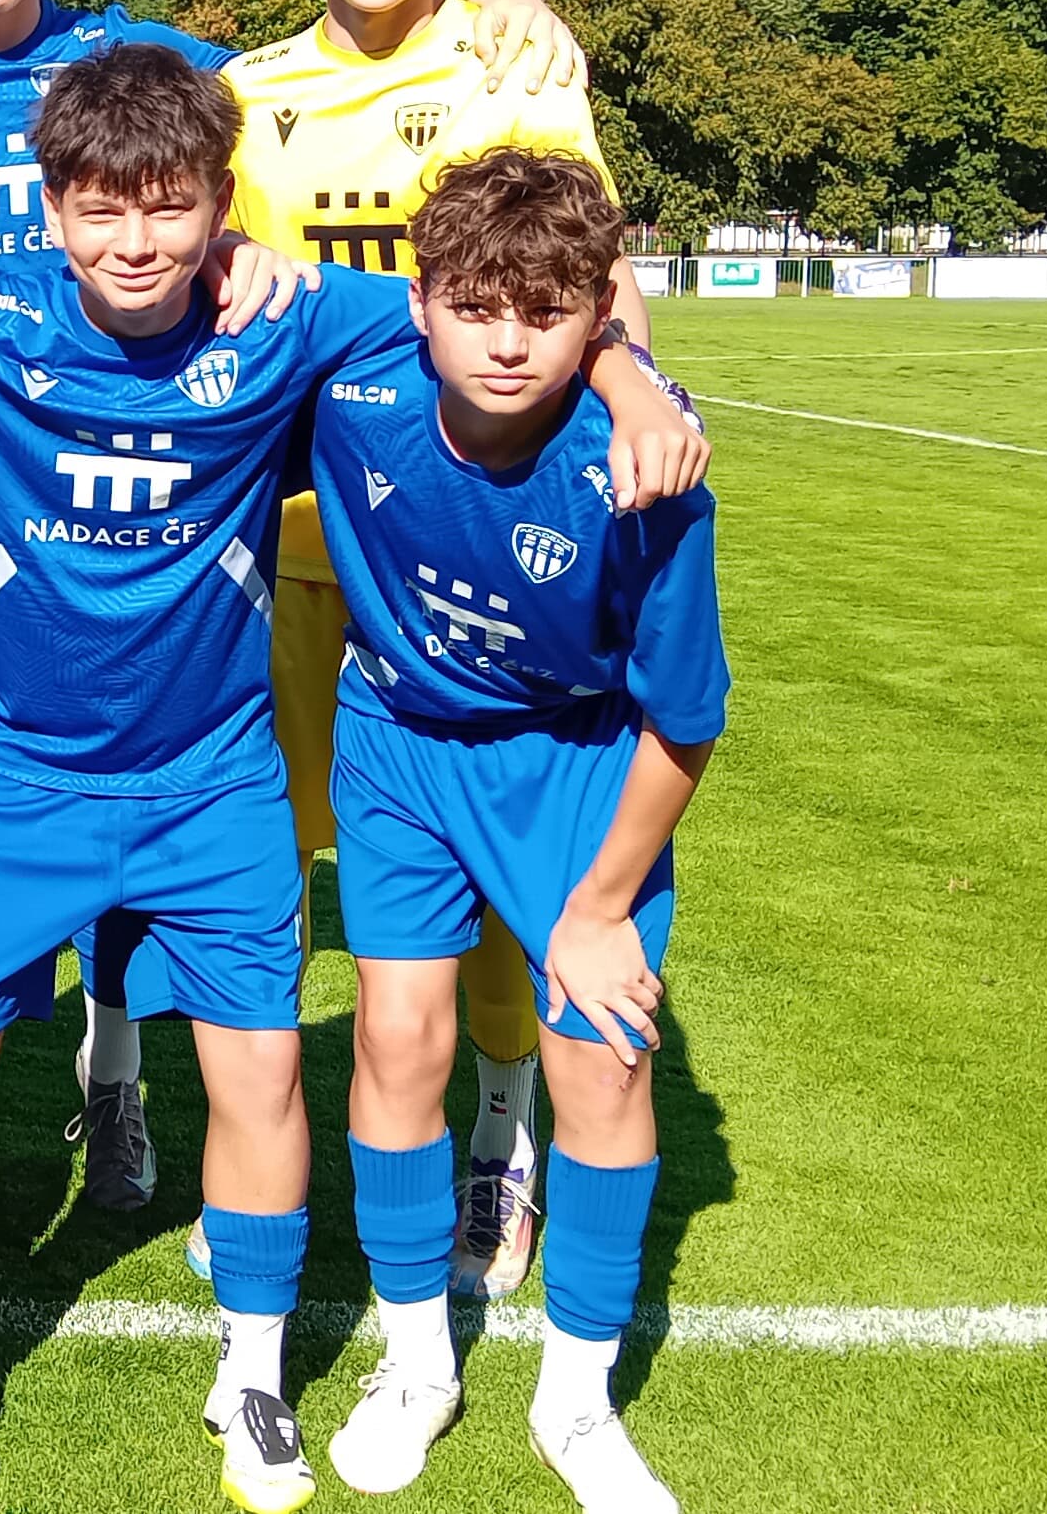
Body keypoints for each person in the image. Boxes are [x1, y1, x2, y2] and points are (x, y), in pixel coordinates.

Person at [0, 46, 701, 1504]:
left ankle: (253, 1372)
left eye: (170, 208)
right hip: (10, 774)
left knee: (261, 1072)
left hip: (215, 780)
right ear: (51, 208)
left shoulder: (293, 317)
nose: (136, 243)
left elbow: (509, 302)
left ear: (222, 206)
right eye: (101, 211)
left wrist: (628, 372)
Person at [219, 0, 652, 1298]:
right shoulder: (250, 91)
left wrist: (637, 389)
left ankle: (501, 1133)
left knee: (493, 869)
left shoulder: (514, 65)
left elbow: (596, 276)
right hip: (297, 538)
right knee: (266, 865)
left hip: (482, 547)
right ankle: (249, 1145)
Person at [304, 150, 720, 1514]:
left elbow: (686, 724)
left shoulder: (645, 471)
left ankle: (576, 1402)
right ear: (420, 302)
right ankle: (417, 1363)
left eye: (546, 316)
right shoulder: (355, 382)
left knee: (603, 1064)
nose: (505, 341)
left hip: (579, 764)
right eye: (475, 308)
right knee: (396, 1037)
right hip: (400, 743)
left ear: (598, 314)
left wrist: (596, 911)